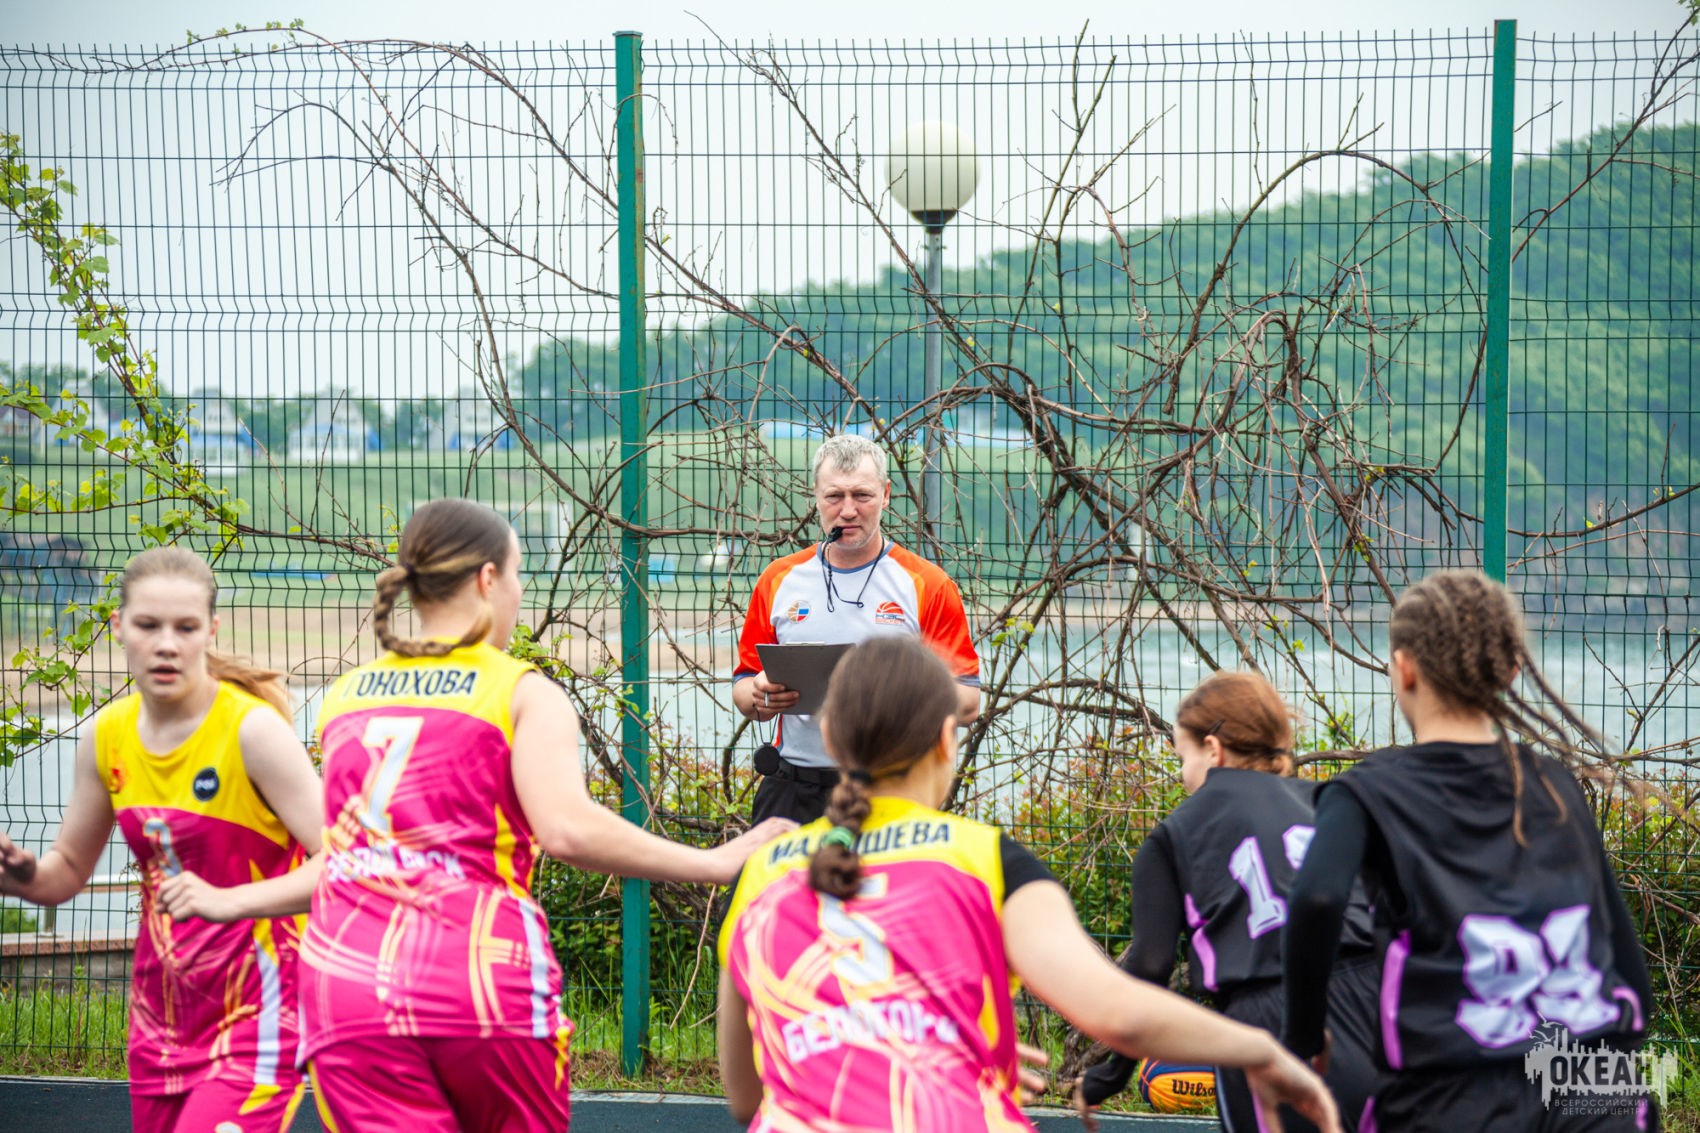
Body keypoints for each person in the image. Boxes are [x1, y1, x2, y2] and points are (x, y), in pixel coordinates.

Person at [299, 498, 794, 1133]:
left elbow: (338, 855)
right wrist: (714, 862)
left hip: (343, 978)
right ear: (488, 579)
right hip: (470, 973)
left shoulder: (345, 697)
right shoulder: (517, 690)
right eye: (518, 575)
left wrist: (223, 902)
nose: (519, 592)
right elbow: (565, 828)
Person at [717, 635, 1343, 1133]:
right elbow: (1116, 1010)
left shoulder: (765, 875)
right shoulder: (984, 859)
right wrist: (1264, 1051)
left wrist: (924, 1051)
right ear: (946, 739)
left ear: (830, 737)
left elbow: (746, 1097)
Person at [1283, 570, 1657, 1132]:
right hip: (1596, 1084)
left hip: (1457, 1089)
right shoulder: (1556, 782)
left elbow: (1316, 898)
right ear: (1510, 672)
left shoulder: (1368, 791)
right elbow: (1619, 948)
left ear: (1404, 668)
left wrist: (1304, 1038)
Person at [0, 547, 324, 1133]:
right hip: (160, 1020)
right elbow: (66, 870)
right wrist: (22, 874)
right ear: (119, 625)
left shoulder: (252, 731)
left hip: (256, 1014)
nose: (167, 644)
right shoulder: (108, 736)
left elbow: (346, 863)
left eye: (186, 628)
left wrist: (230, 901)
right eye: (149, 625)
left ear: (211, 630)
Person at [1074, 670, 1382, 1133]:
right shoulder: (1327, 801)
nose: (1182, 776)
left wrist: (1112, 1072)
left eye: (1182, 758)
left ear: (1213, 749)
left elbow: (1150, 966)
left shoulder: (1172, 836)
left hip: (1263, 1022)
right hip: (1373, 1003)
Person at [734, 434, 980, 825]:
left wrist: (900, 694)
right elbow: (744, 688)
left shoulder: (928, 584)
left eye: (862, 495)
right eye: (834, 496)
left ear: (886, 495)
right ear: (816, 497)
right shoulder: (778, 579)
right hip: (793, 785)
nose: (848, 511)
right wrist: (760, 694)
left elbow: (968, 702)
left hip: (891, 789)